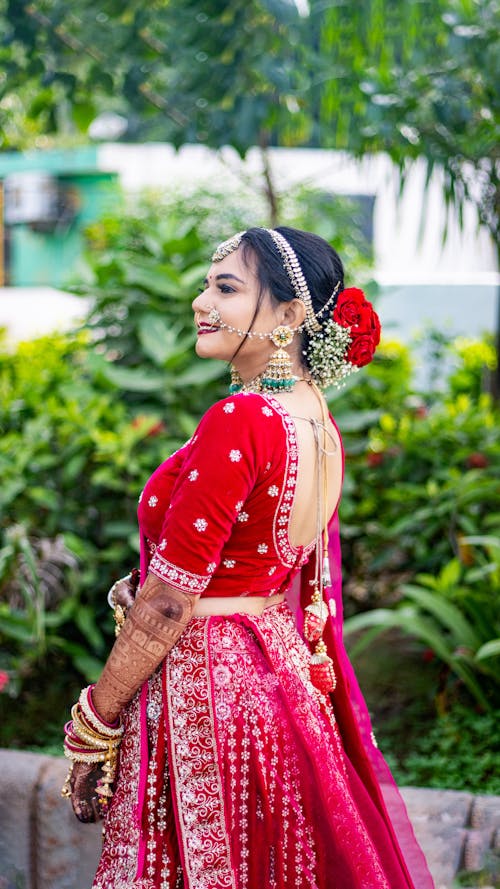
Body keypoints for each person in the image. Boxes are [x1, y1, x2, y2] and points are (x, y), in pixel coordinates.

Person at [62, 227, 435, 889]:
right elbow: (260, 560)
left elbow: (173, 599)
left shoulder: (244, 418)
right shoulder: (313, 418)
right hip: (274, 675)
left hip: (206, 683)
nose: (202, 301)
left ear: (291, 316)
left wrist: (96, 720)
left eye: (226, 287)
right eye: (209, 284)